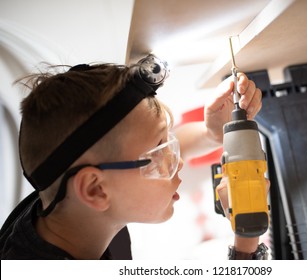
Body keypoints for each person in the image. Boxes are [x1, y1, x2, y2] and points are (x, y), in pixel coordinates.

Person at [0, 60, 265, 260]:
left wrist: (210, 133)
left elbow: (141, 155)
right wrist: (247, 231)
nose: (177, 161)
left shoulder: (62, 200)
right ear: (95, 189)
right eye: (160, 151)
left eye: (165, 143)